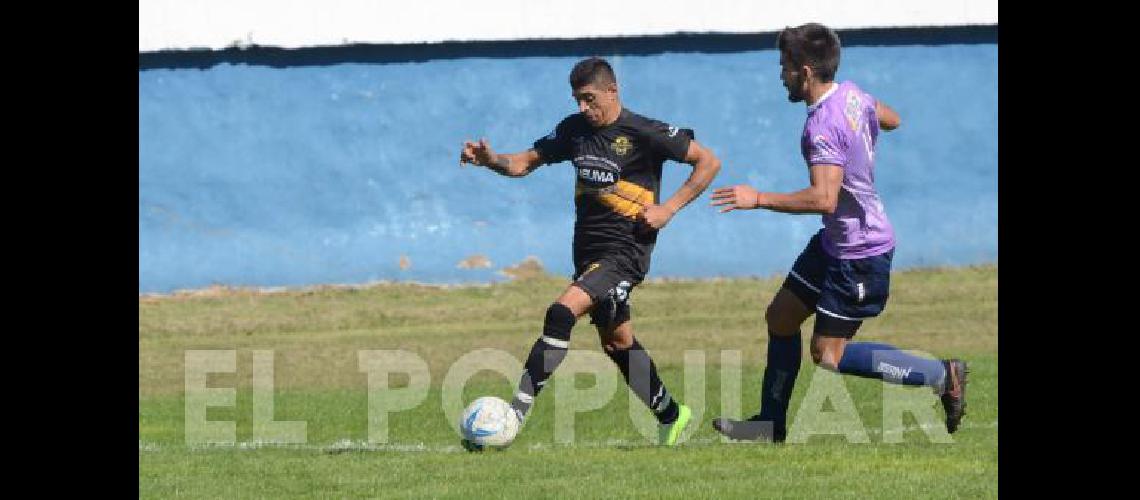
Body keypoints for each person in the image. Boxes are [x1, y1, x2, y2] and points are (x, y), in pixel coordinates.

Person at [709, 23, 967, 443]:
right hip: (835, 242)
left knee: (828, 355)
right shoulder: (851, 96)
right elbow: (893, 119)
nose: (781, 75)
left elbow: (823, 198)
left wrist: (756, 198)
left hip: (859, 253)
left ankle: (943, 374)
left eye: (785, 67)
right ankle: (769, 424)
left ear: (805, 71)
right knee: (781, 316)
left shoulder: (823, 126)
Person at [459, 57, 722, 447]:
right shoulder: (575, 130)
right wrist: (490, 160)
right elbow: (523, 163)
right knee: (617, 342)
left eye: (589, 98)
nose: (583, 107)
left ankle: (513, 415)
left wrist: (668, 209)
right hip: (588, 254)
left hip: (625, 253)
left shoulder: (645, 132)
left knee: (561, 312)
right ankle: (672, 413)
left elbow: (708, 161)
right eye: (577, 99)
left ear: (612, 91)